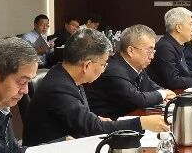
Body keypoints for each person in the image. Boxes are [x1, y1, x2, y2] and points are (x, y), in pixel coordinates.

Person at [23, 28, 167, 146]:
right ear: (87, 65)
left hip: (72, 145)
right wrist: (141, 123)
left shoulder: (65, 75)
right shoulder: (59, 87)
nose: (104, 69)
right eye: (103, 64)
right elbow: (91, 128)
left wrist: (95, 119)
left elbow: (82, 120)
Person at [86, 24, 177, 119]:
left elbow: (150, 85)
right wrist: (163, 94)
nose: (152, 56)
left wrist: (165, 93)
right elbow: (138, 99)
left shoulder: (136, 65)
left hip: (127, 118)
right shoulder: (114, 70)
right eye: (149, 51)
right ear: (130, 51)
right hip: (108, 124)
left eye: (153, 51)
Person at [147, 7, 192, 90]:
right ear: (178, 28)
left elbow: (186, 73)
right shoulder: (165, 48)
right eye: (190, 24)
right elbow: (174, 81)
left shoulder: (177, 45)